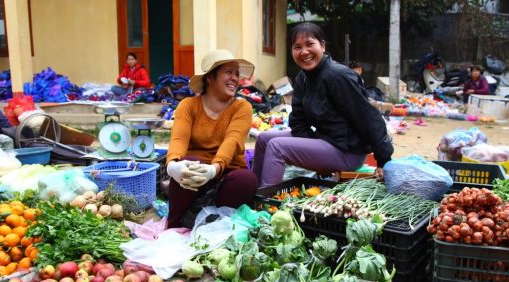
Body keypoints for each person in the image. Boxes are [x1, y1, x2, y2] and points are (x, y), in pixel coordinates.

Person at [252, 22, 394, 187]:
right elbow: (298, 121)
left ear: (323, 46)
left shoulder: (338, 76)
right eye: (297, 47)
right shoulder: (303, 78)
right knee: (263, 139)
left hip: (347, 151)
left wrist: (383, 160)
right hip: (324, 140)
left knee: (277, 147)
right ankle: (253, 191)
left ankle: (265, 201)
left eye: (310, 44)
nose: (304, 52)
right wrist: (310, 148)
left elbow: (368, 118)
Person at [165, 49, 258, 228]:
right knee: (189, 164)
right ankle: (175, 225)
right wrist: (172, 166)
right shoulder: (188, 105)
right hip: (195, 174)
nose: (235, 78)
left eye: (237, 74)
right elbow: (178, 139)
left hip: (225, 172)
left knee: (246, 180)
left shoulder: (242, 107)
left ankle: (218, 226)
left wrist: (214, 169)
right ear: (210, 77)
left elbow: (232, 141)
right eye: (229, 72)